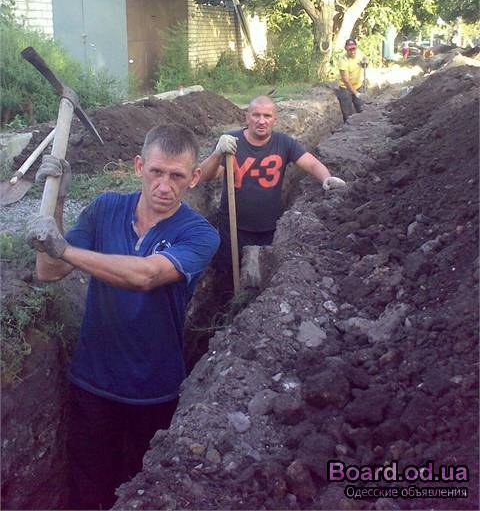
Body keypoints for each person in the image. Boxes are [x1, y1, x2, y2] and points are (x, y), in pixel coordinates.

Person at [26, 124, 220, 510]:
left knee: (143, 489)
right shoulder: (105, 209)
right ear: (139, 167)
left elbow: (145, 276)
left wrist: (64, 249)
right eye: (156, 172)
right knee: (89, 487)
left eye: (177, 176)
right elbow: (48, 271)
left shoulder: (201, 235)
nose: (164, 186)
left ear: (195, 177)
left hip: (155, 390)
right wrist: (57, 202)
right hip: (93, 384)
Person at [199, 95, 345, 269]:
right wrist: (217, 154)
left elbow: (312, 164)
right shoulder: (231, 142)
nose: (261, 121)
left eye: (267, 116)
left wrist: (326, 178)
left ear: (275, 119)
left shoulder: (284, 143)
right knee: (228, 272)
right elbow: (205, 175)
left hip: (269, 228)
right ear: (247, 117)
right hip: (232, 228)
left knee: (263, 272)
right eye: (256, 115)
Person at [335, 38, 367, 122]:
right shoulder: (343, 60)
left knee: (362, 110)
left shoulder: (360, 54)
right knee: (348, 115)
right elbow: (346, 80)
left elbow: (364, 62)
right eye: (350, 50)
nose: (352, 51)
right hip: (345, 88)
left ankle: (362, 125)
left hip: (358, 86)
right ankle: (348, 127)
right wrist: (356, 93)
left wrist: (365, 63)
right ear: (346, 49)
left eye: (354, 49)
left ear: (356, 47)